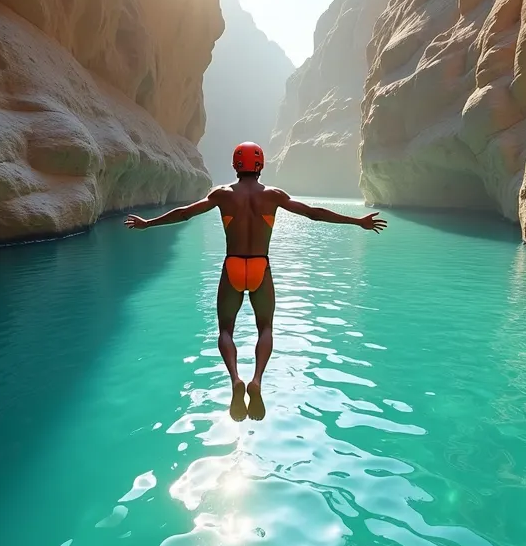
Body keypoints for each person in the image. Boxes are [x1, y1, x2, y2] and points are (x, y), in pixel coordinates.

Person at [124, 141, 387, 421]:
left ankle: (235, 379)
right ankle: (257, 380)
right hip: (260, 266)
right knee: (265, 328)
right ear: (260, 165)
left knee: (226, 330)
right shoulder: (273, 196)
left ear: (235, 165)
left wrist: (148, 224)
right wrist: (357, 221)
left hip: (233, 265)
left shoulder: (222, 195)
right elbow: (313, 213)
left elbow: (185, 212)